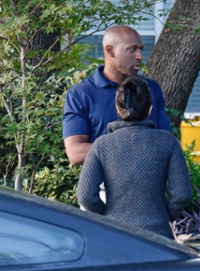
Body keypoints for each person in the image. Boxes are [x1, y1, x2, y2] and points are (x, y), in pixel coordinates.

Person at [77, 75, 191, 239]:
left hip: (115, 236)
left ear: (118, 108)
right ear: (150, 109)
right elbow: (182, 194)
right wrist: (163, 216)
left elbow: (85, 196)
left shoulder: (101, 145)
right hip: (159, 237)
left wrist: (108, 216)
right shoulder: (168, 142)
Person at [63, 25, 171, 166]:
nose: (139, 56)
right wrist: (132, 147)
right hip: (102, 185)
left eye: (140, 49)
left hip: (149, 184)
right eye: (132, 49)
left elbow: (167, 144)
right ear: (110, 50)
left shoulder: (151, 88)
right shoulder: (80, 94)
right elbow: (75, 153)